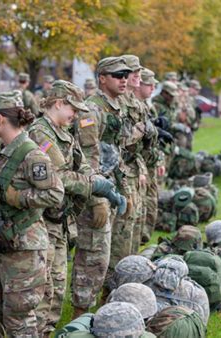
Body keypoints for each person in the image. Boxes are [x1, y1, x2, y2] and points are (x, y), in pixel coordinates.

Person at [28, 80, 125, 329]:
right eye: (72, 109)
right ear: (58, 104)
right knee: (42, 292)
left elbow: (81, 165)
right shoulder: (41, 133)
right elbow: (59, 175)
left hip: (58, 221)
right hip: (40, 221)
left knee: (56, 291)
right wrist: (94, 186)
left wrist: (102, 184)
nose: (75, 116)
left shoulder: (61, 132)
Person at [0, 91, 65, 337]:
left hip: (24, 246)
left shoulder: (31, 153)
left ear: (1, 118)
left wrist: (19, 198)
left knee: (19, 316)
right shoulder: (4, 151)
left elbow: (55, 194)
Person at [73, 57, 134, 297]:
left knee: (108, 258)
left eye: (126, 75)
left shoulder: (114, 107)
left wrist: (124, 192)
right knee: (91, 261)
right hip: (96, 193)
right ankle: (79, 322)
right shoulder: (91, 109)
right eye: (118, 75)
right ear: (102, 78)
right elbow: (87, 158)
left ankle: (104, 313)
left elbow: (116, 154)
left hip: (112, 190)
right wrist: (97, 199)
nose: (124, 80)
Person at [119, 54, 149, 254]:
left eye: (139, 72)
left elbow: (137, 146)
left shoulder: (134, 102)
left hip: (133, 168)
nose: (138, 75)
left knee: (133, 224)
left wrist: (142, 169)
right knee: (121, 229)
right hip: (120, 172)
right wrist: (142, 129)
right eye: (134, 72)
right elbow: (120, 140)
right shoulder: (118, 101)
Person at [133, 68, 163, 243]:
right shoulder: (133, 106)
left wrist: (159, 159)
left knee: (149, 207)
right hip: (138, 166)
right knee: (139, 209)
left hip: (148, 164)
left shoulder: (146, 107)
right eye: (149, 84)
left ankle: (141, 243)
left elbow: (153, 141)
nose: (152, 88)